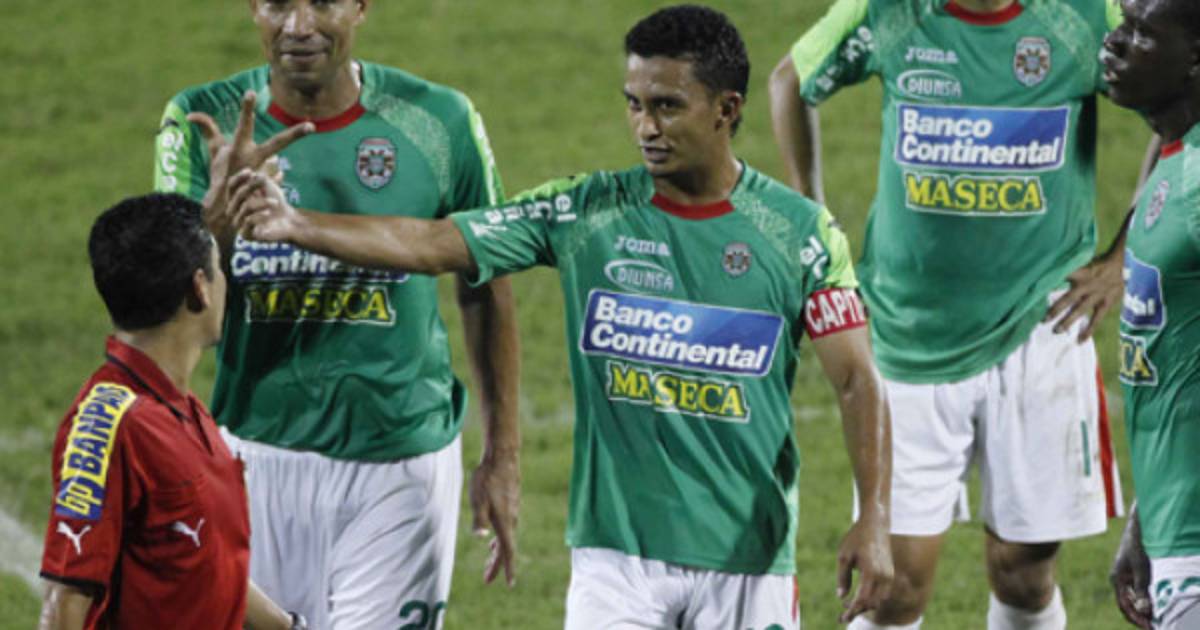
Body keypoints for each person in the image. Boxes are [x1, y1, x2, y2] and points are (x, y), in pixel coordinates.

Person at [222, 5, 893, 628]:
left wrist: (874, 517)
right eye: (634, 104)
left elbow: (857, 379)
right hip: (615, 563)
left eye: (667, 106)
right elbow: (434, 242)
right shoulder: (586, 213)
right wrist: (295, 224)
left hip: (749, 561)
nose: (646, 128)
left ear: (727, 109)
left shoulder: (800, 235)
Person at [152, 1, 521, 627]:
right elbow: (170, 304)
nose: (299, 26)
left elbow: (486, 280)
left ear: (360, 6)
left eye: (323, 1)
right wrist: (219, 215)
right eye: (279, 3)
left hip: (398, 460)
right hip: (251, 457)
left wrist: (503, 455)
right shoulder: (200, 121)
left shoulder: (439, 120)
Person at [769, 0, 1137, 628]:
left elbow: (1186, 99)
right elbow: (791, 80)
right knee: (893, 586)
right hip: (908, 332)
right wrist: (814, 224)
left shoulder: (1084, 16)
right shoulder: (890, 12)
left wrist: (1124, 258)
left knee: (1025, 575)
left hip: (1042, 329)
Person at [37, 193, 299, 630]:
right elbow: (64, 599)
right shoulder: (109, 426)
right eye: (220, 269)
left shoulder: (181, 407)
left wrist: (289, 627)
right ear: (199, 287)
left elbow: (205, 562)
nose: (226, 283)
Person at [1103, 0, 1200, 627]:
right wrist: (1147, 514)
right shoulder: (1175, 162)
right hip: (1176, 532)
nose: (1113, 43)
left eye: (1141, 33)